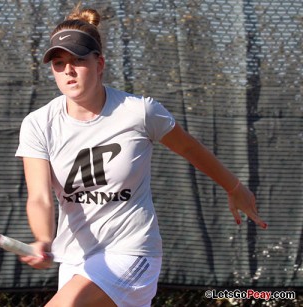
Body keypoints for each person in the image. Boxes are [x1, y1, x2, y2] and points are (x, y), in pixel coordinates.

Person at [15, 4, 267, 307]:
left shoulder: (140, 112)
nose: (68, 70)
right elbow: (40, 196)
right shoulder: (38, 124)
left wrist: (234, 187)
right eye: (58, 62)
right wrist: (43, 238)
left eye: (78, 59)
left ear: (100, 63)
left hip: (132, 252)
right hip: (75, 258)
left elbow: (189, 147)